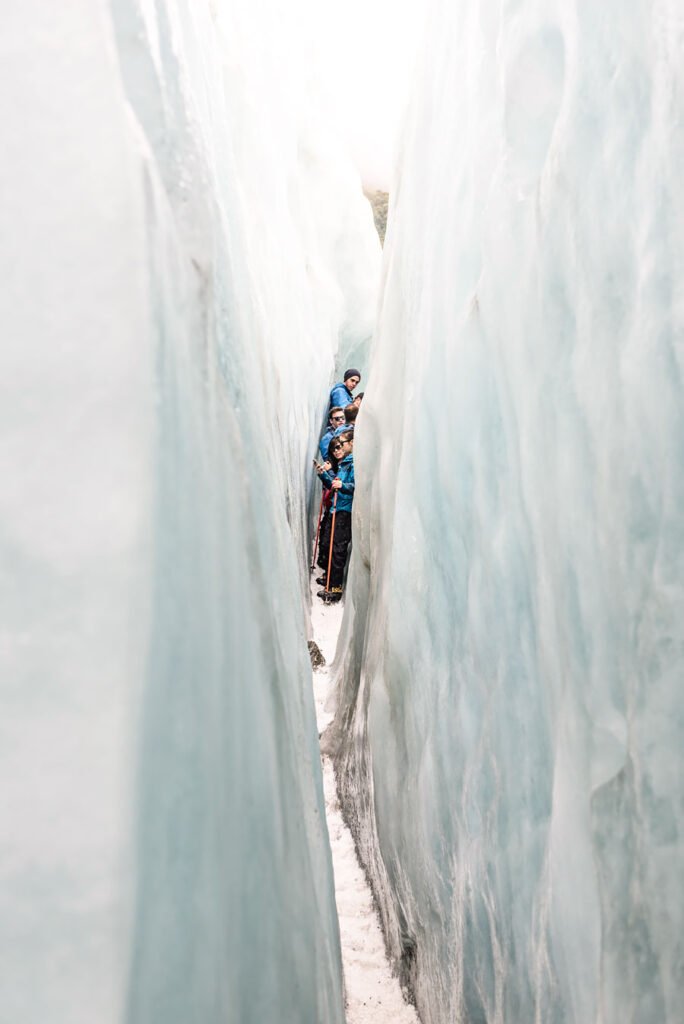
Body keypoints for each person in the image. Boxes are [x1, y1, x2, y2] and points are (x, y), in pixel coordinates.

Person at [315, 431, 354, 601]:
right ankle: (330, 580)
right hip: (336, 510)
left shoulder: (352, 464)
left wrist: (342, 485)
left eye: (340, 445)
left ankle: (335, 589)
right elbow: (333, 485)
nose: (338, 449)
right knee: (330, 546)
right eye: (335, 448)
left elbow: (354, 486)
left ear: (350, 444)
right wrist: (323, 474)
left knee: (338, 550)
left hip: (343, 511)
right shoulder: (343, 464)